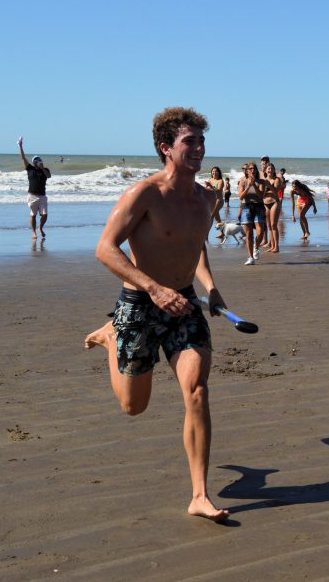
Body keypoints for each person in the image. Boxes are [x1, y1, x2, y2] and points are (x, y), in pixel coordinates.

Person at [81, 107, 230, 522]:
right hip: (140, 305)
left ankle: (199, 494)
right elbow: (105, 248)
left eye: (202, 141)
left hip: (184, 305)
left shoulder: (207, 197)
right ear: (166, 147)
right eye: (190, 141)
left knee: (197, 390)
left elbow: (194, 245)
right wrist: (153, 288)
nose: (199, 149)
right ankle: (111, 335)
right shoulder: (144, 194)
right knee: (134, 406)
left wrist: (211, 289)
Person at [18, 137, 51, 239]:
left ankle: (40, 228)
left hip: (42, 196)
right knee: (33, 215)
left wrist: (42, 168)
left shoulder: (45, 170)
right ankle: (34, 232)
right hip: (32, 195)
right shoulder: (30, 169)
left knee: (45, 215)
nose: (38, 161)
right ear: (33, 162)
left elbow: (48, 176)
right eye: (36, 160)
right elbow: (23, 158)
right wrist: (20, 146)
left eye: (39, 160)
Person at [238, 162, 268, 265]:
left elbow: (261, 195)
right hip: (247, 207)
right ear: (246, 171)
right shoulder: (242, 180)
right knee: (249, 234)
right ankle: (250, 257)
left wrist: (254, 185)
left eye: (254, 168)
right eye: (250, 169)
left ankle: (256, 247)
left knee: (260, 232)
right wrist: (248, 186)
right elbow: (241, 196)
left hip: (259, 206)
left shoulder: (261, 182)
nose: (252, 170)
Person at [262, 162, 282, 253]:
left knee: (274, 225)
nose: (270, 170)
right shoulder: (264, 180)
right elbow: (261, 194)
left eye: (271, 168)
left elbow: (275, 191)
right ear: (266, 170)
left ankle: (276, 247)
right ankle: (272, 245)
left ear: (274, 170)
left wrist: (269, 186)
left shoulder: (276, 179)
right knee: (269, 226)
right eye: (268, 169)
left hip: (274, 202)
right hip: (265, 203)